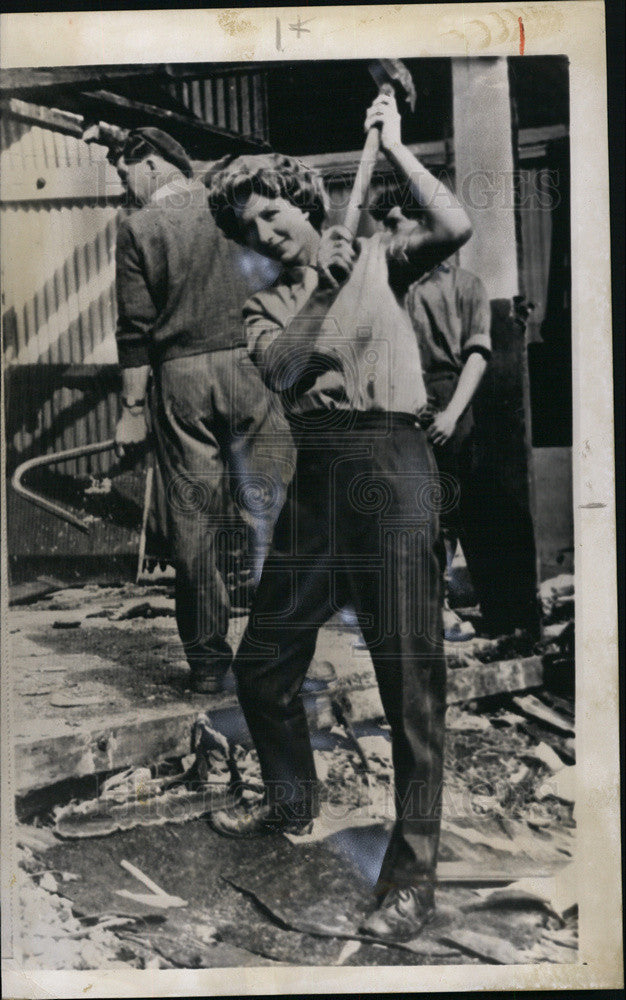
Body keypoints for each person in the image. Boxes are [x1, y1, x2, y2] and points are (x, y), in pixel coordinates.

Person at [206, 93, 472, 942]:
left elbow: (457, 222)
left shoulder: (380, 258)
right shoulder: (264, 305)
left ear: (304, 199)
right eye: (252, 230)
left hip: (392, 464)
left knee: (410, 685)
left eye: (274, 214)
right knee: (263, 660)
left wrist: (393, 146)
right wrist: (317, 292)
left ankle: (411, 878)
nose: (268, 235)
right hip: (318, 479)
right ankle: (291, 801)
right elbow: (283, 371)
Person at [113, 127, 293, 694]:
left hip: (181, 379)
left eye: (124, 177)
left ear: (149, 166)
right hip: (251, 366)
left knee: (193, 523)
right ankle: (277, 658)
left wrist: (132, 408)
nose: (126, 191)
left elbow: (134, 332)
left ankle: (210, 665)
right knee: (269, 514)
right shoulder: (232, 203)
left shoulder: (140, 228)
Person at [370, 191, 492, 640]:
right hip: (399, 400)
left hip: (448, 398)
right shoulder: (385, 284)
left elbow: (477, 354)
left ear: (421, 225)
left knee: (445, 511)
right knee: (402, 509)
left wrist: (453, 415)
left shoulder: (466, 285)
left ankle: (437, 605)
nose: (389, 233)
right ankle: (402, 609)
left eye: (397, 223)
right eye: (384, 224)